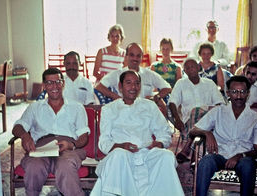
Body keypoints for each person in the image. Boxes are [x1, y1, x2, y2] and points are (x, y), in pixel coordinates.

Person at [90, 70, 184, 196]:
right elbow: (104, 142)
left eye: (137, 83)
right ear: (120, 86)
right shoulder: (109, 109)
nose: (133, 87)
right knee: (119, 155)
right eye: (128, 83)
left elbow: (164, 131)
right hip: (120, 155)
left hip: (146, 152)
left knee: (166, 156)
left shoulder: (149, 106)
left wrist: (160, 143)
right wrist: (121, 146)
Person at [12, 68, 90, 196]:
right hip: (42, 148)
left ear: (63, 83)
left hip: (68, 148)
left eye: (58, 82)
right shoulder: (35, 107)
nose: (54, 86)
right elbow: (18, 126)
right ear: (44, 86)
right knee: (34, 167)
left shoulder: (77, 107)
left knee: (65, 166)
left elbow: (83, 136)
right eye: (49, 83)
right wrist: (25, 135)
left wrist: (72, 145)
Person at [190, 75, 257, 196]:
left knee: (248, 165)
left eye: (242, 92)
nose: (239, 96)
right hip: (219, 155)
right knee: (205, 161)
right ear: (228, 93)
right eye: (235, 92)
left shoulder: (256, 119)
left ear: (248, 93)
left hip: (243, 158)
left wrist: (240, 155)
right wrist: (207, 132)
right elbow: (193, 131)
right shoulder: (218, 112)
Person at [169, 58, 225, 163]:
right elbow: (172, 103)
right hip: (188, 123)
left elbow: (220, 103)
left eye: (193, 66)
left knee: (199, 111)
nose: (191, 69)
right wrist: (177, 119)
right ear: (184, 71)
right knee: (197, 111)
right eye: (187, 68)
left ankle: (188, 147)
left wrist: (209, 111)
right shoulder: (181, 83)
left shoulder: (209, 83)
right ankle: (196, 154)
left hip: (211, 122)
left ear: (198, 67)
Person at [95, 42, 171, 115]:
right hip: (124, 112)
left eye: (138, 56)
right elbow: (99, 87)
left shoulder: (149, 74)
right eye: (132, 55)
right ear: (126, 56)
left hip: (146, 114)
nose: (135, 58)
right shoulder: (117, 74)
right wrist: (116, 97)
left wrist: (155, 97)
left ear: (142, 57)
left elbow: (167, 88)